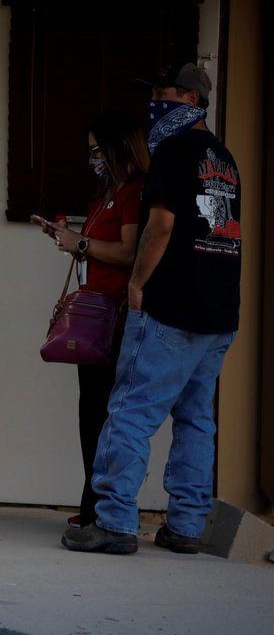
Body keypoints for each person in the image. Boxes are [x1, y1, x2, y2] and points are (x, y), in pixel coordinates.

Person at [62, 62, 241, 554]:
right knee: (196, 420)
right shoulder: (223, 158)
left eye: (162, 94)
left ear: (189, 99)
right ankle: (185, 526)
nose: (154, 104)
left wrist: (138, 283)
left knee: (129, 412)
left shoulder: (172, 152)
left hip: (171, 306)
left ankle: (114, 522)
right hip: (219, 310)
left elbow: (159, 226)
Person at [32, 111, 149, 528]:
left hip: (117, 314)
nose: (92, 158)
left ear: (118, 148)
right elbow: (99, 246)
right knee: (91, 410)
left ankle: (104, 508)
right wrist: (67, 238)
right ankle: (92, 504)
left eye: (97, 150)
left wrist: (81, 241)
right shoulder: (106, 193)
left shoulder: (135, 191)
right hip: (96, 312)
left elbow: (129, 251)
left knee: (107, 412)